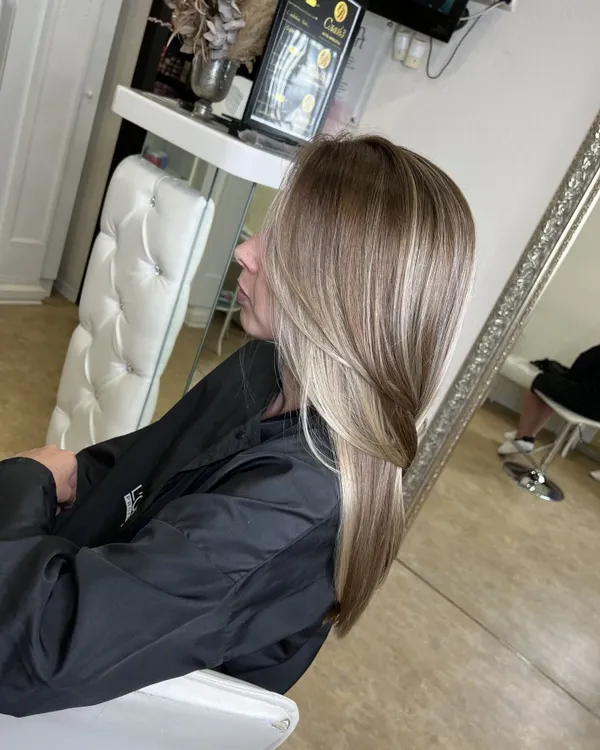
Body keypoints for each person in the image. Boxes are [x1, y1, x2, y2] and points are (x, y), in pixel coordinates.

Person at [0, 135, 475, 717]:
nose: (246, 252)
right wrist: (68, 475)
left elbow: (34, 646)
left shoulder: (296, 502)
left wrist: (25, 483)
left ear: (347, 292)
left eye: (284, 242)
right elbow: (145, 463)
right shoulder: (265, 366)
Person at [498, 345, 600, 457]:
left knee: (541, 381)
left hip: (589, 401)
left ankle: (522, 436)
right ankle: (528, 435)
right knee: (556, 387)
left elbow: (579, 368)